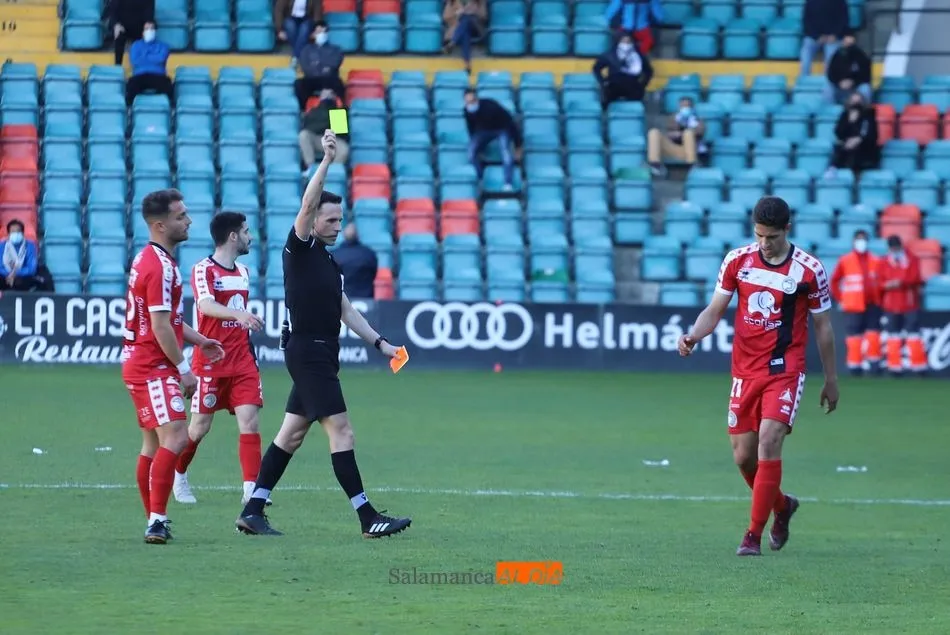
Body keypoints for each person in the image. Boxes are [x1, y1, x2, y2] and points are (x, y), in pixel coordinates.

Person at [234, 130, 412, 539]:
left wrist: (382, 345)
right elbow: (309, 200)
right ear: (311, 220)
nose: (337, 224)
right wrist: (328, 160)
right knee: (342, 431)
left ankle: (254, 508)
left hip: (320, 352)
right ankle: (369, 518)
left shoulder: (330, 264)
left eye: (340, 219)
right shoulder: (298, 250)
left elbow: (346, 310)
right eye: (330, 219)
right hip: (308, 353)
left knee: (291, 435)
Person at [677, 196, 839, 557]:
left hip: (786, 370)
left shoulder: (809, 270)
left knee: (769, 441)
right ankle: (782, 507)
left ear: (787, 229)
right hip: (745, 370)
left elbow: (824, 328)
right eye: (759, 235)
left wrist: (831, 379)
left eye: (771, 236)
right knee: (743, 457)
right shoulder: (737, 261)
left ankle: (752, 535)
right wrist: (693, 335)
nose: (765, 243)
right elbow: (715, 309)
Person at [121, 189, 225, 544]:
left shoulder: (146, 258)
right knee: (177, 436)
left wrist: (199, 341)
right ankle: (157, 520)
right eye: (182, 216)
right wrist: (184, 369)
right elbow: (161, 327)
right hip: (153, 365)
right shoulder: (161, 267)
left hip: (141, 361)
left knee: (152, 443)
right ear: (162, 225)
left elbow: (167, 320)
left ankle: (154, 519)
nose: (189, 220)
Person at [172, 212, 268, 506]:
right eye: (246, 231)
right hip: (211, 361)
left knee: (249, 422)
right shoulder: (204, 270)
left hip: (242, 360)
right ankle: (179, 475)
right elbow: (205, 305)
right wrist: (238, 314)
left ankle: (252, 493)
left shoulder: (244, 272)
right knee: (199, 428)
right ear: (233, 236)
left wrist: (244, 319)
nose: (251, 237)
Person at [830, 230, 882, 375]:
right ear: (853, 242)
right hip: (853, 305)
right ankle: (855, 366)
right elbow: (834, 281)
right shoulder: (845, 260)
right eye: (859, 239)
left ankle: (874, 364)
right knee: (854, 337)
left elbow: (880, 281)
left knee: (873, 336)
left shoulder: (876, 260)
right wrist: (841, 298)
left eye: (864, 239)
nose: (861, 242)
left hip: (873, 304)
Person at [878, 235, 927, 376]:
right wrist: (886, 285)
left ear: (901, 246)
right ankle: (895, 368)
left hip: (909, 304)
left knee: (913, 335)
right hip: (891, 305)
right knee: (893, 336)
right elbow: (879, 282)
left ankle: (919, 367)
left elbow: (916, 278)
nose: (894, 250)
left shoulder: (912, 259)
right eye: (892, 247)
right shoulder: (884, 261)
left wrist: (900, 282)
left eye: (896, 247)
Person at [463, 89, 523, 191]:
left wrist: (518, 145)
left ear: (477, 99)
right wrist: (479, 147)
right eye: (468, 102)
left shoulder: (491, 106)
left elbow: (510, 123)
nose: (470, 105)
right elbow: (471, 129)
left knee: (506, 153)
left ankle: (508, 183)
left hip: (501, 129)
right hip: (483, 131)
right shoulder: (466, 111)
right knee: (471, 153)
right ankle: (480, 179)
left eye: (472, 101)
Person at [647, 96, 706, 177]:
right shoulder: (673, 118)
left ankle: (692, 165)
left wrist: (683, 132)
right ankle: (655, 165)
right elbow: (668, 132)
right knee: (654, 132)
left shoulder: (699, 120)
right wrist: (676, 127)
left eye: (687, 106)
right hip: (673, 148)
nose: (684, 108)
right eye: (682, 106)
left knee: (688, 133)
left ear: (692, 107)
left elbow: (700, 132)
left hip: (688, 150)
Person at [592, 31, 654, 106]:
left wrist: (642, 84)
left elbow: (648, 71)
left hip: (633, 85)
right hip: (613, 86)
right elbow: (596, 68)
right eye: (623, 41)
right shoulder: (610, 54)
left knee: (634, 104)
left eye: (628, 41)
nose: (626, 44)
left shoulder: (639, 55)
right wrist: (603, 82)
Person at [294, 21, 346, 109]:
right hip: (311, 79)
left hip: (329, 79)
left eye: (324, 32)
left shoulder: (336, 49)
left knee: (339, 85)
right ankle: (303, 113)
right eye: (319, 32)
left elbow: (335, 64)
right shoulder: (306, 50)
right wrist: (322, 67)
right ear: (313, 34)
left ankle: (339, 120)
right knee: (299, 84)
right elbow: (305, 67)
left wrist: (316, 65)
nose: (322, 34)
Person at [826, 92, 879, 176]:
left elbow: (871, 134)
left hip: (865, 147)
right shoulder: (845, 115)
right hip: (846, 144)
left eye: (858, 101)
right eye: (853, 101)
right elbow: (839, 133)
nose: (856, 104)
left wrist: (858, 139)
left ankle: (855, 176)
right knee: (838, 147)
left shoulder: (869, 115)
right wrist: (850, 122)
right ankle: (833, 170)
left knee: (856, 150)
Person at [299, 88, 349, 172]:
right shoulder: (313, 111)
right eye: (325, 94)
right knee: (303, 135)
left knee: (344, 149)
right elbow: (309, 128)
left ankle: (330, 171)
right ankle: (311, 169)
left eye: (330, 93)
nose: (328, 95)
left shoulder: (339, 112)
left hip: (332, 139)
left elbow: (342, 134)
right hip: (317, 139)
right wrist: (328, 123)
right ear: (321, 97)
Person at [125, 21, 174, 107]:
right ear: (143, 32)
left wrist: (144, 56)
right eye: (147, 29)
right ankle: (129, 111)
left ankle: (169, 110)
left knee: (168, 86)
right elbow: (135, 61)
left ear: (155, 31)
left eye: (152, 28)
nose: (149, 31)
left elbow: (161, 58)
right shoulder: (135, 45)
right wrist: (153, 56)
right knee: (131, 86)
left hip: (158, 75)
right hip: (140, 75)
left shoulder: (163, 46)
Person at [800, 0, 849, 78]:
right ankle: (804, 79)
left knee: (831, 56)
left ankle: (828, 81)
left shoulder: (840, 2)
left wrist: (834, 35)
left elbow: (844, 21)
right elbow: (806, 22)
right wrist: (817, 36)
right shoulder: (810, 2)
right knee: (805, 51)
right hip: (814, 37)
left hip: (833, 38)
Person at [332, 225, 378, 299]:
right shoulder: (369, 253)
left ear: (344, 235)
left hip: (342, 300)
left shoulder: (334, 254)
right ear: (358, 235)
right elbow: (374, 273)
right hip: (365, 299)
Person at [824, 35, 872, 105]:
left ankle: (863, 110)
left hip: (855, 87)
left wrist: (853, 82)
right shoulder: (837, 55)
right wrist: (839, 83)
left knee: (865, 89)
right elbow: (830, 73)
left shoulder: (862, 56)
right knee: (827, 88)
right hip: (839, 87)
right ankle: (829, 112)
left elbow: (866, 76)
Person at [442, 0, 486, 75]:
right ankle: (467, 65)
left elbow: (484, 16)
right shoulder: (453, 1)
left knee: (467, 18)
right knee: (465, 34)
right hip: (459, 29)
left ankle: (452, 43)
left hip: (475, 27)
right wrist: (456, 14)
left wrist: (473, 12)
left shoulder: (478, 1)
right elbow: (445, 17)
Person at [274, 0, 322, 67]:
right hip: (291, 18)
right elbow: (278, 10)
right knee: (290, 25)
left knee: (304, 28)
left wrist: (318, 26)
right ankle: (303, 55)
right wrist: (279, 30)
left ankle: (295, 57)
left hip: (307, 18)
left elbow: (318, 11)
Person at [110, 0, 155, 65]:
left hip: (140, 26)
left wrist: (148, 23)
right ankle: (117, 66)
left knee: (149, 32)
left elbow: (149, 12)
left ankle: (144, 66)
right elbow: (112, 12)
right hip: (122, 26)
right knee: (118, 34)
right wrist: (116, 24)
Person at [0, 219, 40, 291]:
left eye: (18, 231)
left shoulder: (30, 246)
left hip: (22, 278)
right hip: (5, 277)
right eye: (13, 232)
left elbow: (31, 269)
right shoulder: (2, 246)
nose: (16, 233)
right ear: (8, 234)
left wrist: (16, 274)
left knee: (24, 281)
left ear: (22, 233)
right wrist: (9, 275)